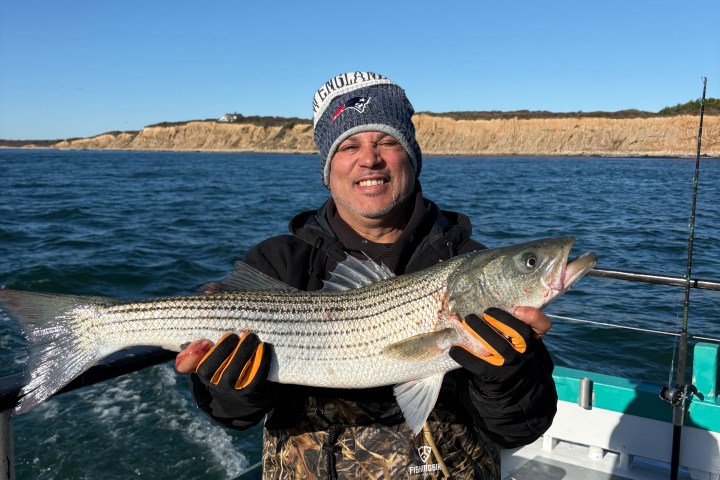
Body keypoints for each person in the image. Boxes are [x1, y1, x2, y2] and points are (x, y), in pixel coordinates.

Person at [175, 71, 557, 479]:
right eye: (349, 145)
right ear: (328, 164)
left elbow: (520, 429)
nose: (370, 159)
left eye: (387, 142)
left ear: (411, 155)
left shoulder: (468, 261)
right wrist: (229, 389)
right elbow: (231, 417)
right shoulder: (278, 261)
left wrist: (511, 375)